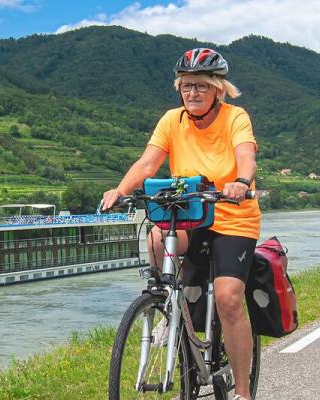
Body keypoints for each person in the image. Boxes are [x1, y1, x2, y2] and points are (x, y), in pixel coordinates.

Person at [99, 47, 259, 400]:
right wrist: (120, 190)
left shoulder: (236, 117)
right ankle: (167, 307)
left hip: (232, 215)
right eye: (186, 86)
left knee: (230, 298)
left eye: (200, 86)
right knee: (157, 237)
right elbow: (146, 164)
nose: (192, 93)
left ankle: (244, 392)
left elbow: (245, 155)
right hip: (189, 214)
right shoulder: (172, 120)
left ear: (218, 88)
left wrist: (242, 183)